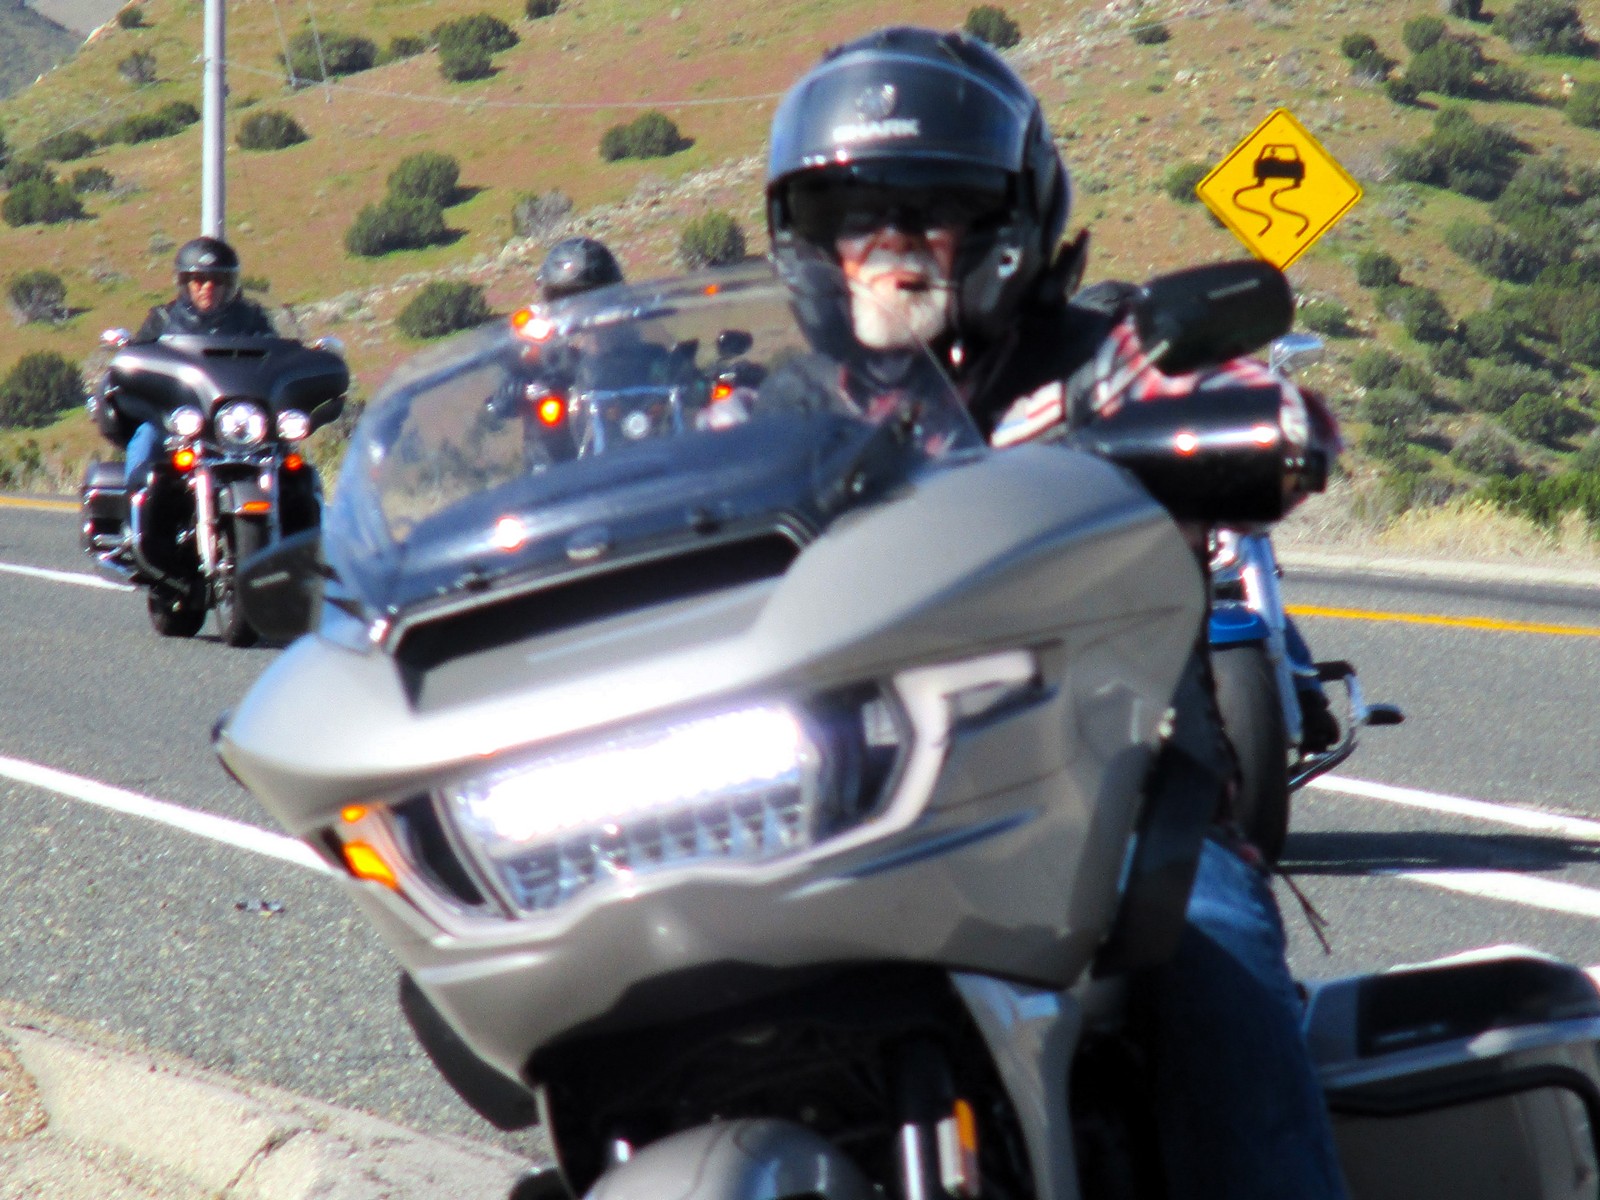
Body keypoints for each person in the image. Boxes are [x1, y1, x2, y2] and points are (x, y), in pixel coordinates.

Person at [765, 27, 1347, 1200]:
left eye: (929, 210)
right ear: (809, 241)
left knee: (1216, 974)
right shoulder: (779, 410)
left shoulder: (1103, 357)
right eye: (854, 215)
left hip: (1100, 810)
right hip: (831, 815)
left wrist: (1228, 428)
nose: (889, 245)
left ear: (1007, 225)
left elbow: (1249, 403)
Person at [114, 236, 275, 492]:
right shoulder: (163, 320)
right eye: (199, 280)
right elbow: (139, 361)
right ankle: (136, 504)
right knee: (147, 438)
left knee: (286, 452)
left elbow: (276, 356)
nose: (207, 287)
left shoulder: (251, 320)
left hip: (235, 419)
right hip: (177, 418)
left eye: (217, 280)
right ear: (186, 283)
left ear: (229, 284)